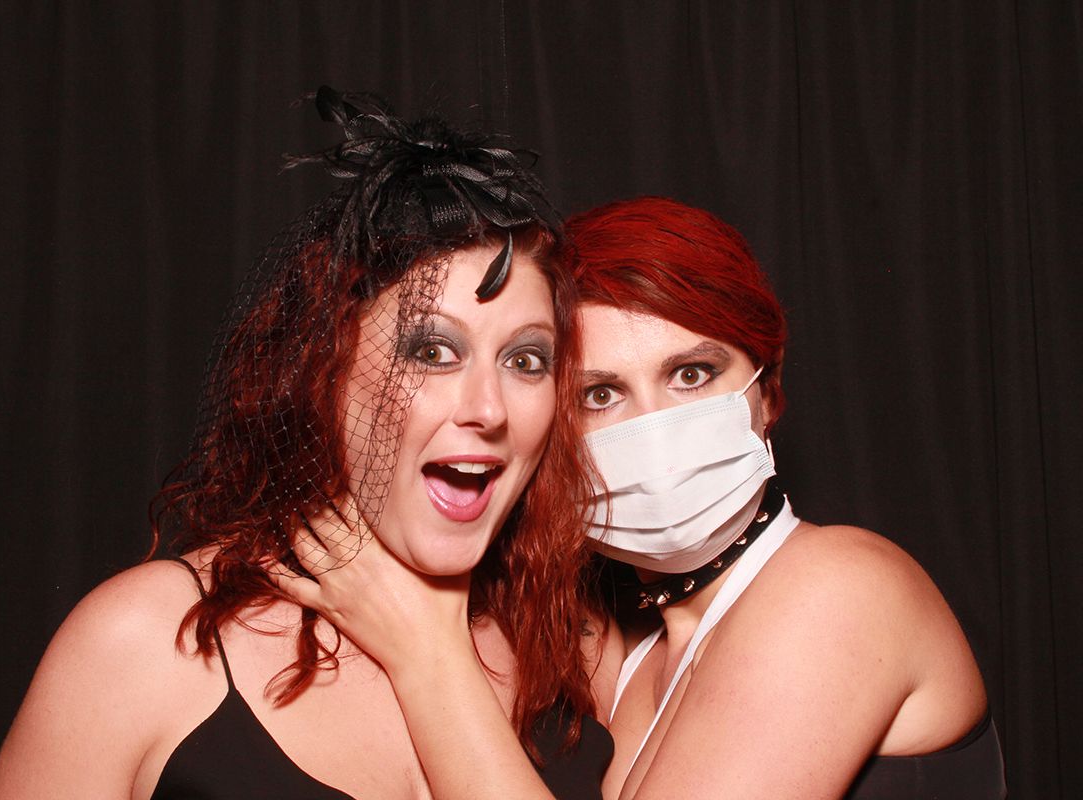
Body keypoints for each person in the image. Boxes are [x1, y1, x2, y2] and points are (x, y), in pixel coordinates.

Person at [0, 88, 619, 800]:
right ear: (328, 370)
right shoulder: (147, 640)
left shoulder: (576, 654)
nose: (489, 409)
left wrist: (430, 653)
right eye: (431, 351)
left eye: (526, 361)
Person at [282, 196, 1006, 798]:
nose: (654, 427)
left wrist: (424, 650)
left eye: (692, 375)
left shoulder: (841, 586)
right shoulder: (628, 665)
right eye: (601, 394)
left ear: (767, 392)